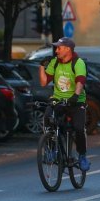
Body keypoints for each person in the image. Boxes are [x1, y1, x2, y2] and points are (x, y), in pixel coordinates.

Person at [39, 37, 90, 171]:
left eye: (59, 48)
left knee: (78, 128)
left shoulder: (78, 63)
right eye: (56, 48)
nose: (56, 51)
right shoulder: (55, 62)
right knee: (47, 119)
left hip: (76, 100)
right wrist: (41, 66)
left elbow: (80, 81)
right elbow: (44, 82)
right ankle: (51, 150)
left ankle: (82, 155)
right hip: (58, 98)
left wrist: (75, 96)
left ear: (68, 49)